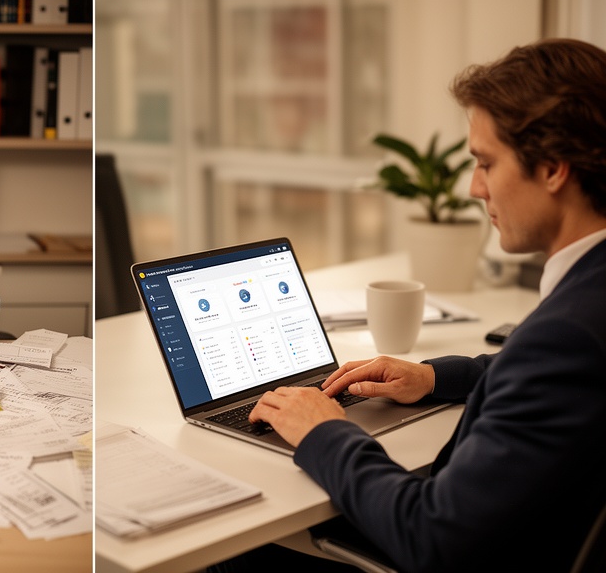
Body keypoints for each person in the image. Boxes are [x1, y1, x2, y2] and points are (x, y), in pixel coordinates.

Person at [239, 38, 606, 572]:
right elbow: (547, 378)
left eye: (485, 162)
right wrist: (434, 378)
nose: (476, 188)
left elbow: (433, 537)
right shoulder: (586, 311)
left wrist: (323, 431)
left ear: (553, 168)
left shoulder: (568, 337)